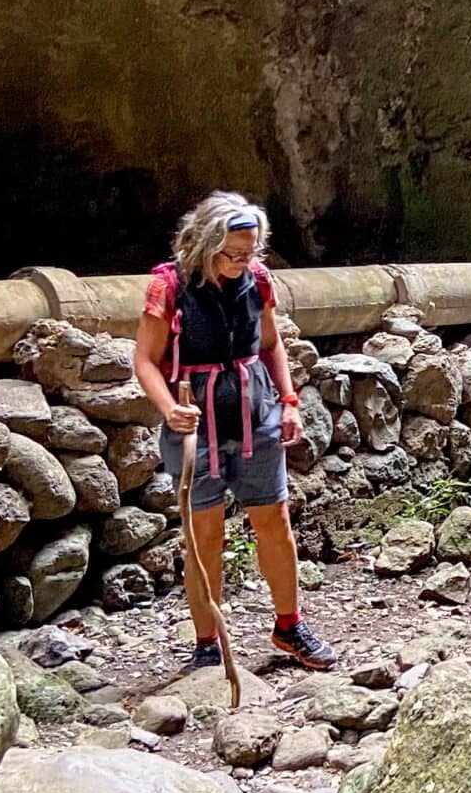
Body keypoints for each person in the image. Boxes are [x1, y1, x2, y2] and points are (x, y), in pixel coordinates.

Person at [134, 192, 337, 671]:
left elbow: (271, 345)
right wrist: (168, 409)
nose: (245, 262)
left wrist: (289, 402)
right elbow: (144, 359)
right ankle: (207, 643)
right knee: (205, 534)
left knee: (275, 521)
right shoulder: (169, 287)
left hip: (254, 411)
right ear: (206, 244)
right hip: (194, 423)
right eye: (235, 254)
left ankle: (289, 625)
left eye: (252, 253)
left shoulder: (257, 281)